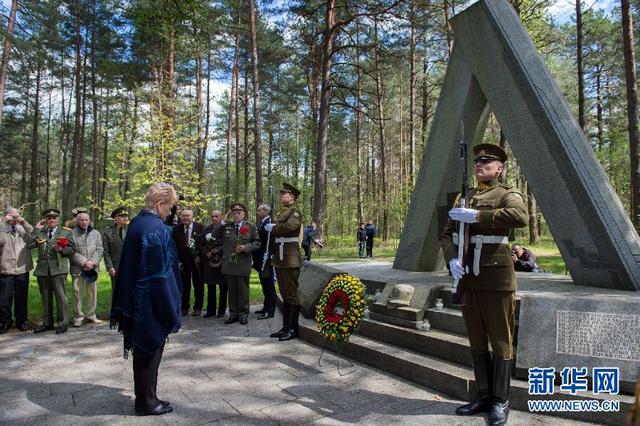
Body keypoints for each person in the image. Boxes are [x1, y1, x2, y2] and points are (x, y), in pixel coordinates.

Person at [441, 143, 528, 426]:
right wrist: (452, 259)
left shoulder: (507, 193)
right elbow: (446, 234)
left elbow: (520, 217)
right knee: (476, 337)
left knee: (501, 339)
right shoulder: (463, 197)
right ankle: (483, 394)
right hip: (467, 275)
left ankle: (501, 400)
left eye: (487, 163)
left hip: (495, 275)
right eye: (477, 162)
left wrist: (479, 216)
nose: (480, 166)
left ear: (499, 168)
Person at [110, 183, 181, 416]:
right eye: (169, 208)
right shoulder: (155, 229)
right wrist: (172, 308)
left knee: (144, 354)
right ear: (160, 204)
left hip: (135, 301)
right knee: (149, 351)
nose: (170, 213)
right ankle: (146, 403)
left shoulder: (137, 223)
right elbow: (160, 276)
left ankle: (148, 396)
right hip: (149, 305)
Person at [265, 183, 303, 341]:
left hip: (290, 258)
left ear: (292, 197)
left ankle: (293, 328)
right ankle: (285, 327)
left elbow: (287, 228)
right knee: (285, 294)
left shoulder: (294, 212)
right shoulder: (284, 211)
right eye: (281, 194)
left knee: (291, 294)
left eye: (284, 194)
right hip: (281, 258)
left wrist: (273, 228)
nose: (281, 196)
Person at [29, 208, 76, 335]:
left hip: (59, 269)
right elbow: (28, 244)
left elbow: (73, 249)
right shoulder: (41, 232)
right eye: (48, 218)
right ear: (45, 219)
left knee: (61, 297)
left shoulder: (66, 232)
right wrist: (36, 228)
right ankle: (47, 323)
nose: (51, 220)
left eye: (54, 218)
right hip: (43, 270)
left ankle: (63, 323)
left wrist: (61, 249)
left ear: (58, 219)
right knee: (45, 297)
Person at [217, 203, 260, 325]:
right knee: (232, 291)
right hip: (230, 264)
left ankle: (243, 314)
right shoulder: (226, 226)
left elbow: (257, 243)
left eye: (239, 212)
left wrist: (245, 247)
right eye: (234, 213)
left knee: (243, 290)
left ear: (244, 214)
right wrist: (223, 222)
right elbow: (215, 235)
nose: (236, 215)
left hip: (243, 263)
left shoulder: (250, 227)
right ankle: (233, 314)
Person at [0, 207, 33, 333]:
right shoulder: (2, 228)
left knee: (21, 297)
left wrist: (24, 223)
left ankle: (21, 321)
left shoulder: (21, 228)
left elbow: (34, 236)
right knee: (4, 299)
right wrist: (4, 222)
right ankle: (5, 322)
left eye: (17, 215)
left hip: (22, 267)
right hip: (6, 268)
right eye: (13, 216)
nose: (16, 218)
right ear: (6, 216)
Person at [70, 212, 104, 327]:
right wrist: (84, 262)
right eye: (81, 220)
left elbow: (100, 250)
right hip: (78, 268)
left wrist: (92, 262)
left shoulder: (96, 233)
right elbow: (71, 252)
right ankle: (78, 317)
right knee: (77, 292)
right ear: (77, 221)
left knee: (92, 292)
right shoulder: (71, 234)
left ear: (89, 221)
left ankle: (91, 315)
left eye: (86, 220)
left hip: (93, 268)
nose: (84, 222)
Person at [172, 209, 205, 317]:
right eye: (183, 216)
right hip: (183, 263)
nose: (185, 218)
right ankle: (184, 308)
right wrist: (178, 261)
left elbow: (204, 244)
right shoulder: (176, 229)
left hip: (197, 263)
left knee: (198, 285)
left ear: (192, 216)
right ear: (181, 217)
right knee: (184, 286)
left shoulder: (200, 227)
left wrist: (200, 256)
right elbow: (174, 247)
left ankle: (198, 308)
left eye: (188, 216)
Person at [199, 210, 227, 318]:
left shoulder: (226, 229)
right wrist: (207, 252)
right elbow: (201, 244)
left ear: (221, 217)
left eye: (216, 216)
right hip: (210, 263)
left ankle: (221, 311)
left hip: (222, 262)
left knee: (223, 287)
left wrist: (218, 250)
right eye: (212, 216)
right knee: (211, 286)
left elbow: (228, 244)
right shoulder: (206, 229)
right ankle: (211, 310)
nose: (214, 218)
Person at [252, 204, 276, 319]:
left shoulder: (270, 223)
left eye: (259, 210)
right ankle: (266, 307)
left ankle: (270, 310)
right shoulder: (262, 223)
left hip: (266, 258)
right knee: (264, 284)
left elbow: (271, 242)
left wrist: (270, 257)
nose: (257, 212)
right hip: (260, 258)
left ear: (266, 211)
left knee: (269, 284)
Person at [102, 207, 129, 290]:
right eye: (122, 216)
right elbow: (106, 252)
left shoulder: (131, 230)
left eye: (126, 216)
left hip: (130, 265)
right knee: (116, 290)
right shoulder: (108, 232)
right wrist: (110, 267)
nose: (125, 218)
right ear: (115, 218)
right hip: (116, 266)